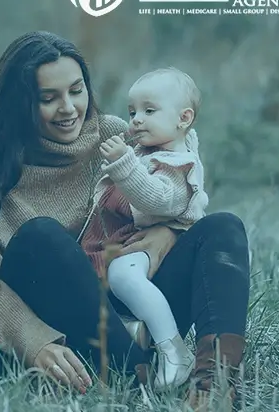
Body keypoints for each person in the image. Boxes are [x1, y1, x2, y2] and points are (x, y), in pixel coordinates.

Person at [0, 31, 250, 410]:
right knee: (42, 236)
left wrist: (168, 233)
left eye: (76, 90)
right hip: (73, 321)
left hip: (134, 293)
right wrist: (34, 340)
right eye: (48, 98)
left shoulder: (113, 137)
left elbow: (174, 183)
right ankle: (137, 372)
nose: (69, 108)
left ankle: (213, 383)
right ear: (20, 105)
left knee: (222, 228)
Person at [78, 67, 208, 391]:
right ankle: (136, 333)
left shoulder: (181, 163)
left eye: (149, 111)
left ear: (184, 118)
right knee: (106, 287)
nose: (136, 119)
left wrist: (124, 164)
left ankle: (173, 348)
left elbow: (159, 200)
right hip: (118, 242)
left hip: (145, 245)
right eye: (132, 111)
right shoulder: (147, 151)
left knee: (124, 277)